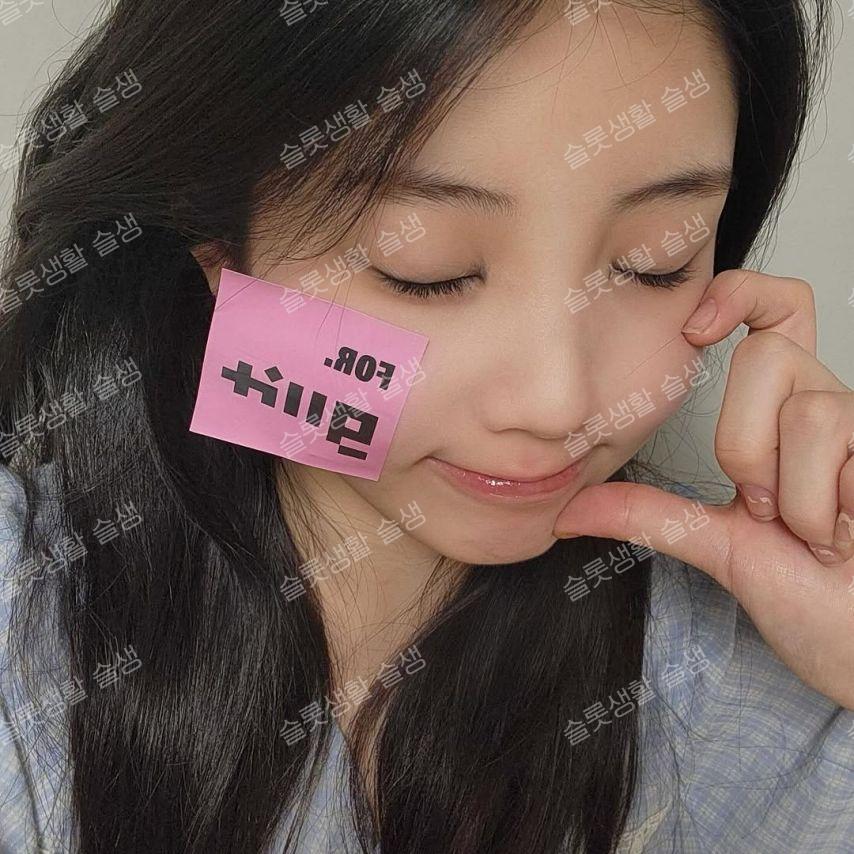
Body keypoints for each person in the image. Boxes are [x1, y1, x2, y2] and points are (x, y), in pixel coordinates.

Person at [0, 0, 852, 851]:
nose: (555, 403)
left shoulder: (726, 661)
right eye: (425, 269)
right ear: (216, 244)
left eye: (658, 260)